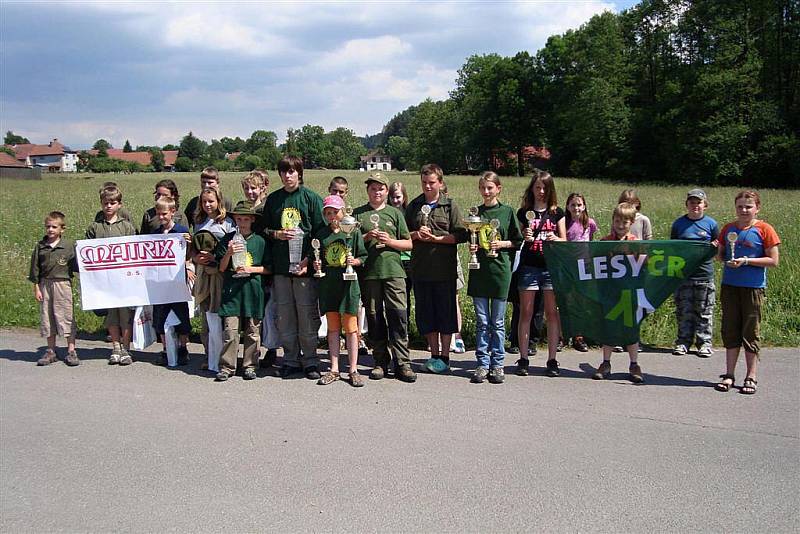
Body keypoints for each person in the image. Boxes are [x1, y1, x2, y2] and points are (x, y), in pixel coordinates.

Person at [262, 155, 326, 380]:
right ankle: (290, 359)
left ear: (299, 173)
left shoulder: (311, 199)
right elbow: (263, 231)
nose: (288, 176)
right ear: (279, 174)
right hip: (281, 269)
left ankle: (310, 360)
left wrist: (308, 260)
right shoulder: (273, 200)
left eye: (292, 171)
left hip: (304, 270)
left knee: (306, 315)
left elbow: (321, 233)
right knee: (285, 316)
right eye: (284, 172)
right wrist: (276, 233)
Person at [714, 190, 780, 395]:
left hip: (753, 288)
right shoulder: (728, 228)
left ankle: (751, 376)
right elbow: (721, 256)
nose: (744, 210)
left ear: (757, 208)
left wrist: (746, 261)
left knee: (750, 331)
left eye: (748, 206)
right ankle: (729, 375)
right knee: (730, 329)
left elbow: (773, 261)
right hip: (730, 286)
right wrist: (716, 250)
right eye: (740, 206)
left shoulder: (765, 229)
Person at [405, 163, 468, 374]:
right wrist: (416, 235)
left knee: (445, 315)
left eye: (432, 183)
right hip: (421, 270)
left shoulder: (450, 206)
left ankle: (445, 357)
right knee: (426, 315)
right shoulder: (414, 206)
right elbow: (403, 233)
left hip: (444, 271)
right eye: (424, 183)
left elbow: (461, 235)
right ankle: (433, 355)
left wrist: (437, 239)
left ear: (440, 183)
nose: (428, 186)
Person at [354, 174, 417, 383]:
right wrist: (366, 237)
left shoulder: (395, 213)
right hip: (370, 274)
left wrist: (390, 241)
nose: (377, 192)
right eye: (373, 188)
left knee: (398, 317)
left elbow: (408, 244)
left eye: (381, 189)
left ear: (386, 191)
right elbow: (352, 245)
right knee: (374, 318)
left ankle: (402, 363)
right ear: (368, 191)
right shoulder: (358, 215)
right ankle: (380, 361)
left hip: (394, 273)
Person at [467, 172, 523, 384]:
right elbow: (472, 237)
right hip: (480, 271)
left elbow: (517, 241)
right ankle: (482, 363)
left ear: (498, 188)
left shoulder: (507, 212)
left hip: (500, 272)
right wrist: (472, 246)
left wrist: (503, 244)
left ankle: (497, 364)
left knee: (497, 322)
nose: (486, 192)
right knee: (482, 322)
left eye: (490, 188)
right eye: (483, 188)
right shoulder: (476, 213)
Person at [515, 169, 566, 377]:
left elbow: (565, 240)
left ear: (550, 189)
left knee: (552, 313)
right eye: (537, 187)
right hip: (529, 266)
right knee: (525, 312)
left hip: (550, 267)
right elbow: (519, 240)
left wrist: (556, 239)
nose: (541, 191)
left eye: (545, 187)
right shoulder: (524, 212)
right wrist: (525, 235)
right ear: (532, 188)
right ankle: (524, 357)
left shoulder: (557, 212)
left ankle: (552, 359)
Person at [313, 195, 367, 387]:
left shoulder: (352, 231)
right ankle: (334, 368)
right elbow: (317, 258)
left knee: (352, 329)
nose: (332, 216)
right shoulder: (321, 234)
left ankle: (353, 369)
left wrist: (356, 262)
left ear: (343, 211)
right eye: (328, 212)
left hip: (349, 287)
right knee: (333, 328)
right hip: (329, 286)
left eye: (335, 212)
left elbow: (363, 256)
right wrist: (316, 264)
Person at [214, 202, 267, 382]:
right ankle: (227, 366)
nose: (242, 222)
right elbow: (221, 268)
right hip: (232, 292)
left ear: (252, 220)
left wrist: (252, 270)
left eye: (246, 219)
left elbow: (268, 268)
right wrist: (228, 253)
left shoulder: (259, 241)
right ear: (234, 220)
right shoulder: (229, 239)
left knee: (253, 331)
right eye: (239, 219)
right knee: (230, 330)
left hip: (252, 291)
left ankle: (250, 365)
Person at [592, 202, 644, 383]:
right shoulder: (605, 242)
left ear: (631, 223)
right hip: (610, 293)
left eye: (625, 222)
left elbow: (645, 266)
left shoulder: (636, 244)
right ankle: (605, 362)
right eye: (617, 221)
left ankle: (634, 364)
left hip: (629, 293)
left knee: (631, 328)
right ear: (613, 220)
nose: (620, 226)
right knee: (609, 327)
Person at [86, 185, 137, 365]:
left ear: (119, 205)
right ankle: (115, 347)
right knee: (111, 316)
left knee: (125, 316)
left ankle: (126, 348)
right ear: (101, 203)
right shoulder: (95, 227)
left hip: (123, 279)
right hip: (104, 281)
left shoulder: (127, 227)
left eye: (112, 203)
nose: (109, 206)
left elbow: (134, 251)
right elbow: (88, 253)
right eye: (105, 203)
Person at [670, 189, 719, 357]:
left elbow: (717, 248)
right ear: (687, 204)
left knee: (704, 311)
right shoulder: (678, 224)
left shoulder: (711, 224)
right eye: (692, 202)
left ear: (705, 205)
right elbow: (673, 248)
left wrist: (713, 247)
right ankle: (683, 342)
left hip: (704, 274)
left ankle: (704, 342)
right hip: (683, 275)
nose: (695, 205)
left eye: (698, 202)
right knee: (684, 311)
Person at [191, 187, 235, 372]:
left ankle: (224, 357)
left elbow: (232, 248)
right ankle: (209, 355)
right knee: (206, 314)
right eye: (204, 201)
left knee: (221, 315)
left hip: (220, 273)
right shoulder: (199, 222)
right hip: (203, 274)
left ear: (219, 201)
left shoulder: (227, 223)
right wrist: (195, 258)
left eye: (211, 201)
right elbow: (193, 248)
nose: (207, 205)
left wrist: (216, 259)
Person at [241, 169, 280, 368]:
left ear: (263, 188)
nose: (250, 192)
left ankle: (272, 349)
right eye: (247, 189)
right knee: (255, 310)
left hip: (266, 260)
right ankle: (254, 350)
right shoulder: (244, 209)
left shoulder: (267, 208)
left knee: (269, 309)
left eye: (253, 188)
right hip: (249, 261)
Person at [29, 211, 79, 366]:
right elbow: (35, 269)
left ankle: (71, 350)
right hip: (45, 284)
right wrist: (36, 287)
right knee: (47, 316)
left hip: (62, 284)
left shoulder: (69, 246)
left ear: (62, 229)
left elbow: (78, 265)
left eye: (54, 227)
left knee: (65, 316)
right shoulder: (41, 246)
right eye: (48, 227)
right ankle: (51, 350)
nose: (50, 230)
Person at [150, 197, 193, 367]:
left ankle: (183, 348)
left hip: (177, 281)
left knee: (181, 315)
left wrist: (189, 245)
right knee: (160, 316)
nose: (161, 217)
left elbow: (189, 256)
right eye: (158, 214)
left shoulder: (181, 231)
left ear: (173, 212)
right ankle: (166, 349)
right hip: (160, 283)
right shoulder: (155, 234)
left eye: (164, 214)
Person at [564, 192, 598, 352]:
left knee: (580, 301)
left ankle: (579, 335)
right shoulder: (565, 223)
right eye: (573, 205)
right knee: (565, 301)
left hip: (584, 267)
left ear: (584, 206)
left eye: (579, 205)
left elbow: (590, 241)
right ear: (567, 206)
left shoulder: (589, 223)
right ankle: (563, 335)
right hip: (567, 267)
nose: (576, 208)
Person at [389, 181, 413, 325]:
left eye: (398, 197)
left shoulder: (409, 213)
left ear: (404, 197)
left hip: (409, 259)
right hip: (395, 259)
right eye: (393, 197)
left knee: (409, 297)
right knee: (399, 299)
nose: (396, 200)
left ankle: (408, 328)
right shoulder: (387, 214)